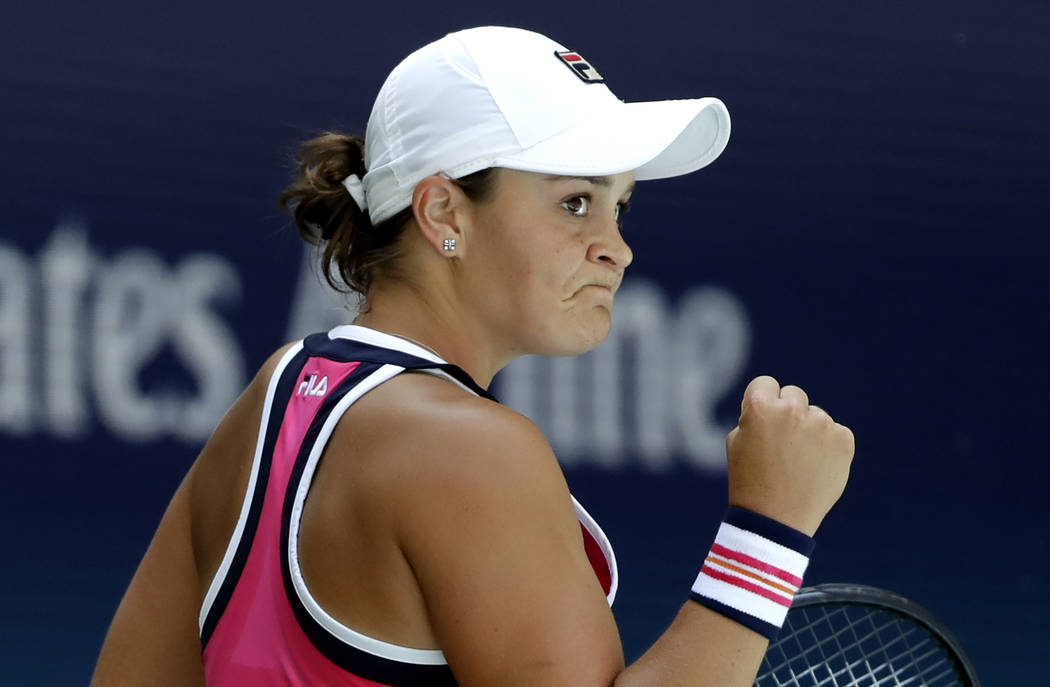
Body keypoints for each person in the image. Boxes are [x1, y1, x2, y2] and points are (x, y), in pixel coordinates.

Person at [90, 26, 854, 686]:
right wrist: (770, 527)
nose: (616, 247)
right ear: (443, 212)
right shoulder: (472, 450)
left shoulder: (275, 393)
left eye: (619, 205)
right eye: (574, 201)